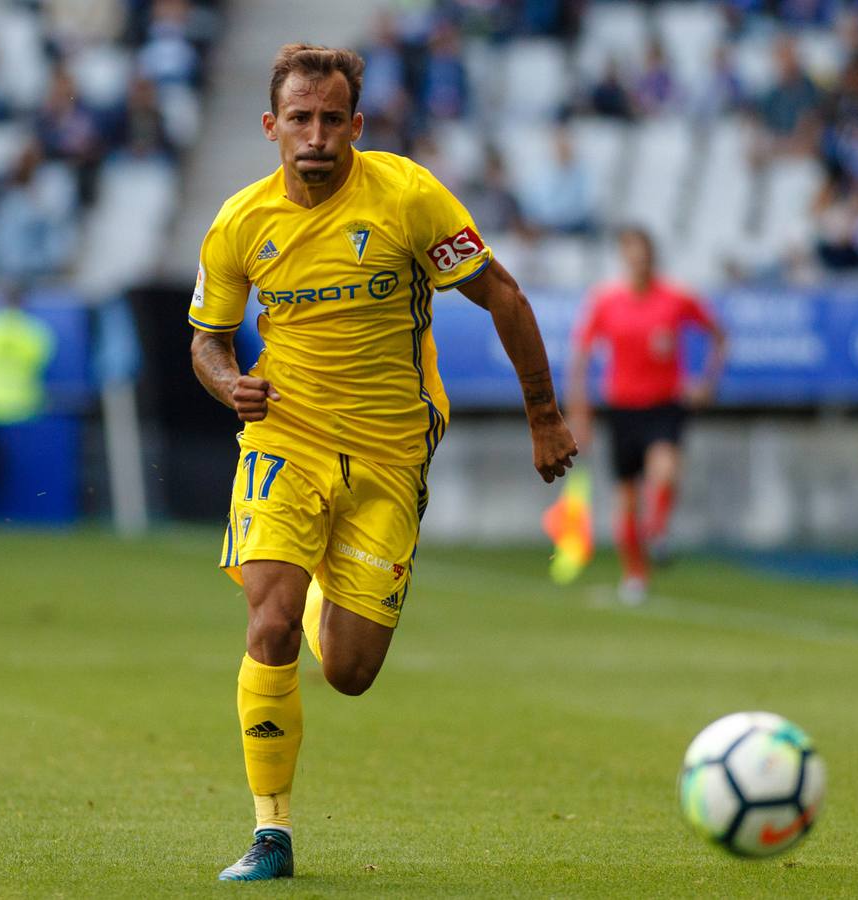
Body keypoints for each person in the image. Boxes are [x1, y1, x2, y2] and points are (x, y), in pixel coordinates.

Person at [188, 43, 576, 882]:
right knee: (269, 624)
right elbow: (207, 341)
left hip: (391, 449)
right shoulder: (240, 223)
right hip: (283, 442)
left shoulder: (406, 196)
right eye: (300, 119)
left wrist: (542, 414)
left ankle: (318, 580)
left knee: (353, 672)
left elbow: (501, 292)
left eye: (332, 119)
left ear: (356, 125)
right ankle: (271, 834)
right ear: (271, 127)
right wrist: (230, 385)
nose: (316, 135)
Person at [565, 227, 726, 605]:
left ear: (653, 258)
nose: (639, 263)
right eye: (632, 256)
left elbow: (718, 335)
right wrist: (579, 413)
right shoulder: (606, 302)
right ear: (624, 259)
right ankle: (635, 574)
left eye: (644, 256)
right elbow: (581, 357)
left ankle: (657, 531)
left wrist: (706, 382)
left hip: (664, 404)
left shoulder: (677, 299)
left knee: (665, 469)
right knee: (626, 498)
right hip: (622, 407)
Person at [0, 283, 56, 426]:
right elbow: (42, 365)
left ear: (0, 300)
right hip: (26, 408)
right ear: (24, 301)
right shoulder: (37, 331)